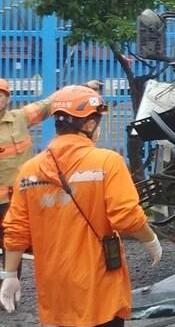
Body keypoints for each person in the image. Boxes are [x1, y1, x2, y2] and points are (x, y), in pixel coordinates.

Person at [0, 84, 161, 327]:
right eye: (97, 120)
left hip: (53, 276)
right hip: (93, 273)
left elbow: (16, 230)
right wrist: (151, 240)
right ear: (88, 124)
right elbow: (126, 216)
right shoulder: (106, 163)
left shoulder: (31, 169)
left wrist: (9, 276)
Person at [0, 78, 103, 257]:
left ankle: (11, 279)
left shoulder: (20, 119)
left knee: (14, 244)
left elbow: (50, 103)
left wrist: (80, 88)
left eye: (1, 95)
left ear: (7, 98)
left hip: (15, 199)